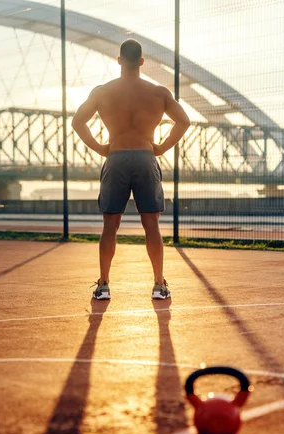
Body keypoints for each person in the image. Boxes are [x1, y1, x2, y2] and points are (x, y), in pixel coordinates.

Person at [72, 38, 190, 300]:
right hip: (145, 158)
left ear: (118, 61)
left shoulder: (102, 91)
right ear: (142, 62)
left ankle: (103, 285)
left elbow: (78, 121)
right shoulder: (159, 93)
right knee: (152, 225)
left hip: (116, 158)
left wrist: (100, 147)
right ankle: (159, 284)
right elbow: (184, 121)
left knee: (109, 226)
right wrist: (160, 147)